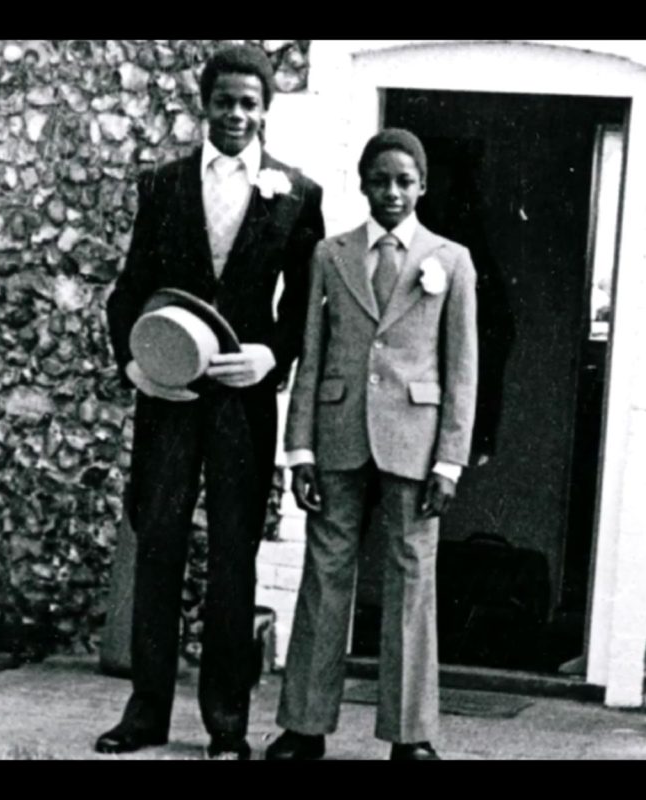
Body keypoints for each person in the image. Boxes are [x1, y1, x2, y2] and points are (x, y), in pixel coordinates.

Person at [99, 43, 325, 760]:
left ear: (265, 111)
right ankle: (145, 714)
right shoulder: (163, 185)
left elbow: (305, 307)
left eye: (248, 103)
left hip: (242, 401)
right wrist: (133, 363)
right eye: (224, 101)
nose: (235, 114)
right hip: (169, 393)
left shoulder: (297, 193)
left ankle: (227, 724)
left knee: (234, 555)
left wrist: (272, 355)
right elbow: (129, 290)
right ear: (205, 104)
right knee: (158, 543)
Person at [266, 128, 478, 761]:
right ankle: (304, 726)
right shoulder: (331, 254)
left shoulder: (451, 260)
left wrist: (450, 461)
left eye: (404, 181)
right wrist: (300, 450)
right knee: (325, 574)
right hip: (338, 435)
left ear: (423, 186)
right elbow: (311, 353)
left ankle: (410, 736)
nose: (392, 192)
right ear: (362, 183)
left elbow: (462, 369)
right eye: (380, 180)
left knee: (412, 579)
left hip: (415, 443)